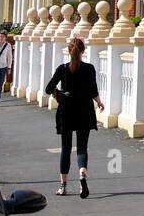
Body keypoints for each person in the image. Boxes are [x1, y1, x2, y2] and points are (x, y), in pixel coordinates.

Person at [45, 36, 104, 197]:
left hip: (67, 112)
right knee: (82, 148)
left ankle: (63, 186)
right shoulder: (89, 68)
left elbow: (48, 88)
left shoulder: (62, 69)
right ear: (83, 51)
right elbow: (93, 90)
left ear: (69, 51)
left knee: (66, 149)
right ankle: (82, 173)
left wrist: (58, 94)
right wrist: (99, 103)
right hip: (85, 110)